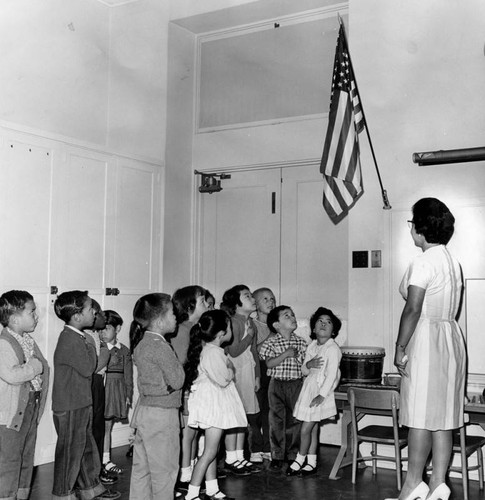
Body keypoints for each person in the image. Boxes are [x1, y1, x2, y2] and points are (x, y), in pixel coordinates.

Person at [386, 198, 466, 500]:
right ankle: (438, 484)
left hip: (427, 339)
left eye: (411, 223)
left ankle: (412, 484)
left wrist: (399, 348)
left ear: (420, 228)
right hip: (450, 337)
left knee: (419, 415)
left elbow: (412, 309)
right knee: (443, 417)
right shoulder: (451, 261)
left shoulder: (423, 261)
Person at [52, 290, 110, 500]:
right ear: (77, 317)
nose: (94, 311)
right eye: (89, 308)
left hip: (80, 403)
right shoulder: (71, 338)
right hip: (69, 405)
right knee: (69, 452)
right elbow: (88, 368)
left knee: (85, 448)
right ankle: (62, 493)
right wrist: (96, 348)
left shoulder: (78, 336)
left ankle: (89, 487)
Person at [184, 309, 248, 500]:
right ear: (222, 333)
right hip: (212, 408)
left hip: (214, 406)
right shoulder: (213, 353)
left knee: (211, 450)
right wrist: (230, 368)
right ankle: (192, 493)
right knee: (210, 451)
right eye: (229, 327)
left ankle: (212, 489)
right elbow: (222, 380)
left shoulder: (214, 351)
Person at [129, 293, 185, 500]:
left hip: (144, 412)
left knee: (141, 469)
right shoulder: (160, 346)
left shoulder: (142, 343)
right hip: (162, 415)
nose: (176, 316)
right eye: (172, 312)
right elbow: (178, 379)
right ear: (160, 321)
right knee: (165, 471)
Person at [0, 290, 50, 500]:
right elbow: (10, 374)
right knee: (10, 459)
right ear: (14, 319)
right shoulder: (4, 343)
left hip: (30, 405)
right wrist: (35, 367)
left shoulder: (26, 339)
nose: (36, 316)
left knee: (26, 456)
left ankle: (21, 495)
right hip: (11, 414)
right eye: (31, 311)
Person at [287, 307, 342, 476]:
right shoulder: (311, 346)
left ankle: (299, 459)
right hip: (309, 389)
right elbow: (304, 370)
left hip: (320, 392)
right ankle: (311, 462)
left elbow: (332, 374)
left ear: (334, 331)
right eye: (320, 321)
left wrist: (321, 395)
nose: (324, 324)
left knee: (305, 429)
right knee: (313, 427)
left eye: (328, 322)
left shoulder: (333, 349)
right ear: (313, 329)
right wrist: (308, 365)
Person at [259, 305, 307, 471]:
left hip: (296, 384)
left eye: (292, 314)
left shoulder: (301, 342)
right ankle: (277, 455)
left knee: (297, 420)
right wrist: (286, 354)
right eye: (286, 316)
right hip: (276, 384)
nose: (292, 317)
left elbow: (304, 365)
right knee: (276, 421)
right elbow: (269, 363)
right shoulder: (271, 342)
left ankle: (294, 455)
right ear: (276, 325)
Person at [171, 285, 209, 493]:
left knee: (193, 433)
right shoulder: (183, 330)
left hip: (192, 389)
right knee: (187, 434)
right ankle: (184, 476)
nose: (206, 304)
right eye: (202, 300)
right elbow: (178, 365)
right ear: (190, 305)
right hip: (184, 391)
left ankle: (191, 472)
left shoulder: (195, 329)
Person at [221, 285, 261, 475]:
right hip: (236, 372)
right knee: (235, 417)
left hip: (248, 371)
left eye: (252, 295)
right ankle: (231, 458)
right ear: (236, 303)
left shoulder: (250, 323)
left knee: (243, 417)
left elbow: (254, 351)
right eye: (247, 296)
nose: (252, 298)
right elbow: (234, 350)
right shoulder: (234, 322)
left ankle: (239, 457)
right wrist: (249, 337)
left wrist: (258, 375)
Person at [84, 301, 119, 488]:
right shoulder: (89, 338)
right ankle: (92, 475)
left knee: (98, 430)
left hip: (98, 385)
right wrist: (105, 350)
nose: (103, 318)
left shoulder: (96, 338)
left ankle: (96, 471)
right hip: (92, 385)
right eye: (99, 314)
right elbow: (95, 365)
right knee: (92, 430)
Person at [99, 310, 133, 475]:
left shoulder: (124, 351)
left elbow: (129, 376)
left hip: (116, 392)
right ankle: (98, 460)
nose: (102, 333)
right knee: (99, 426)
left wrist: (128, 395)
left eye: (106, 328)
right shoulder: (98, 348)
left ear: (117, 329)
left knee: (108, 425)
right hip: (101, 390)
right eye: (100, 329)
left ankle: (105, 459)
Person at [251, 287, 276, 462]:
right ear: (255, 304)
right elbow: (255, 352)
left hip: (272, 371)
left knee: (270, 411)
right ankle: (255, 448)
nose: (270, 302)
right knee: (255, 412)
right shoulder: (251, 324)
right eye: (265, 299)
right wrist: (272, 337)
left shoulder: (277, 324)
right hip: (257, 369)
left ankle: (268, 447)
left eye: (272, 299)